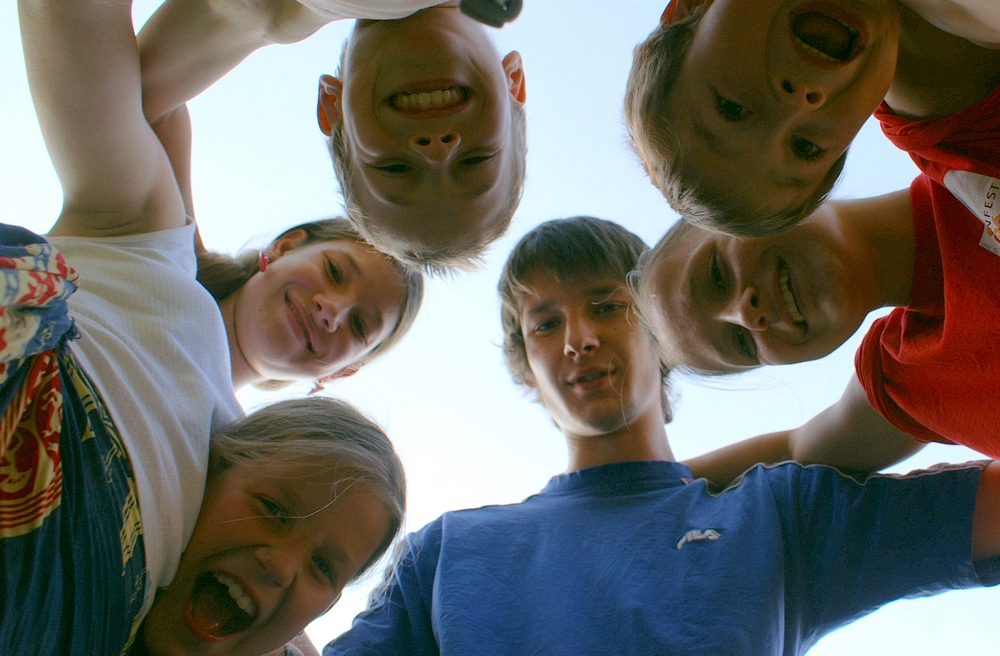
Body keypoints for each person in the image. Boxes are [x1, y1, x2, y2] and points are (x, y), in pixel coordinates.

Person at [322, 216, 1000, 655]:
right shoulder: (446, 553)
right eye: (545, 324)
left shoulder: (777, 515)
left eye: (608, 306)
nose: (580, 340)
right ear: (525, 369)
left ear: (662, 335)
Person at [630, 172, 1000, 479]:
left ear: (743, 200)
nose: (746, 315)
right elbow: (796, 449)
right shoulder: (914, 381)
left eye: (716, 275)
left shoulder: (951, 128)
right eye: (742, 343)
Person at [137, 0, 528, 273]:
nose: (437, 150)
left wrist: (191, 261)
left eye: (394, 168)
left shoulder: (271, 10)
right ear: (513, 83)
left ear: (331, 106)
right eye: (475, 161)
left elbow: (132, 100)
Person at [624, 0, 1000, 236]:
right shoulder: (963, 149)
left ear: (690, 7)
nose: (799, 104)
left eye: (732, 108)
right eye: (806, 148)